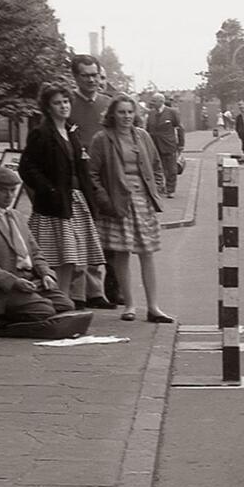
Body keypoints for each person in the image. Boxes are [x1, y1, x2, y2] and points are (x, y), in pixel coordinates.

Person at [18, 83, 107, 310]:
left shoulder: (71, 130)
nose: (63, 106)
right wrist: (48, 189)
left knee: (71, 255)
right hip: (54, 203)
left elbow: (81, 168)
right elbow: (27, 167)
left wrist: (91, 197)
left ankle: (63, 299)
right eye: (57, 103)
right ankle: (53, 300)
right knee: (55, 254)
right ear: (48, 107)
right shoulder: (41, 133)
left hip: (75, 201)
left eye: (66, 102)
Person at [87, 94, 173, 323]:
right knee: (121, 254)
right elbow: (92, 173)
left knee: (147, 253)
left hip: (142, 201)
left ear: (135, 114)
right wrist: (105, 199)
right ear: (112, 114)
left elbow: (155, 164)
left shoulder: (142, 136)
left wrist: (157, 190)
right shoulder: (102, 139)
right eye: (121, 112)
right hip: (118, 202)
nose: (126, 117)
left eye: (129, 112)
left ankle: (154, 307)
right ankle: (130, 305)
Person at [0, 166, 80, 333]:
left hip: (31, 280)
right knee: (44, 310)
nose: (9, 196)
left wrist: (46, 273)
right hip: (4, 287)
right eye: (3, 190)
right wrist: (13, 282)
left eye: (12, 190)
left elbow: (35, 252)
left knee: (66, 305)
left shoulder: (17, 217)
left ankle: (29, 310)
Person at [66, 54, 116, 307]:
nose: (91, 80)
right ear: (76, 77)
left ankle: (97, 292)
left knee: (100, 237)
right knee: (77, 236)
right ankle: (78, 293)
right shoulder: (67, 105)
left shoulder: (108, 105)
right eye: (85, 76)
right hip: (76, 180)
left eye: (95, 75)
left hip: (105, 180)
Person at [144, 93, 184, 198]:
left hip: (168, 144)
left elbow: (179, 128)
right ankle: (159, 188)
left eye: (154, 101)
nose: (151, 103)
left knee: (171, 169)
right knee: (157, 168)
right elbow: (147, 130)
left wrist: (181, 144)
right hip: (154, 145)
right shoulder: (151, 114)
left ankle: (170, 190)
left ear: (161, 101)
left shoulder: (172, 112)